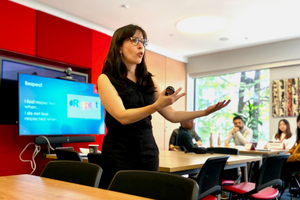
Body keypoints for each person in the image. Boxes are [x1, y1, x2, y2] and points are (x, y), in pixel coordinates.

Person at [97, 24, 231, 189]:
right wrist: (156, 105)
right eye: (134, 40)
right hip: (119, 153)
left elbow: (172, 115)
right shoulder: (106, 79)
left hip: (147, 152)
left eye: (143, 42)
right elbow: (122, 116)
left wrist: (204, 112)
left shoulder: (148, 79)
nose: (141, 46)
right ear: (119, 47)